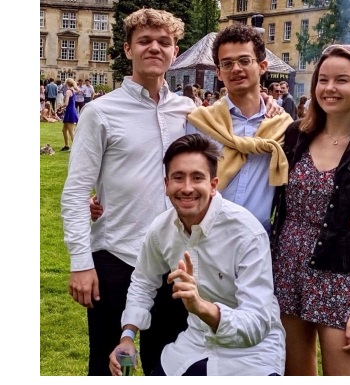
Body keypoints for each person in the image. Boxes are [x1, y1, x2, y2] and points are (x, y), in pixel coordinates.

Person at [61, 8, 196, 376]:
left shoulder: (189, 111)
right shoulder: (101, 112)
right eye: (145, 41)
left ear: (174, 51)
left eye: (164, 42)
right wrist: (81, 262)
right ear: (127, 49)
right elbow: (75, 192)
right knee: (107, 367)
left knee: (168, 366)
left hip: (174, 263)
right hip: (117, 258)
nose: (155, 48)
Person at [270, 44, 350, 376]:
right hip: (286, 271)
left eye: (341, 80)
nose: (329, 88)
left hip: (339, 277)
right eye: (322, 79)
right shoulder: (296, 135)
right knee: (295, 375)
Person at [109, 134, 286, 376]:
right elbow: (143, 281)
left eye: (197, 178)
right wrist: (127, 336)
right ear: (166, 183)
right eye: (178, 178)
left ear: (213, 185)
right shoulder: (161, 229)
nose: (187, 188)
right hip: (194, 343)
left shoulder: (247, 233)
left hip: (252, 353)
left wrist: (201, 307)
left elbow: (257, 324)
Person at [186, 23, 293, 233]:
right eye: (227, 63)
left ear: (262, 66)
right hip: (206, 236)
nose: (236, 69)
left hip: (258, 239)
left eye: (245, 61)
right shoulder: (200, 123)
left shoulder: (283, 128)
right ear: (218, 72)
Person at [61, 78, 79, 151]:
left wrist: (60, 106)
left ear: (67, 83)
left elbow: (66, 103)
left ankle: (76, 148)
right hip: (70, 110)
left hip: (70, 111)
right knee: (64, 130)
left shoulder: (68, 91)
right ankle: (66, 146)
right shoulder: (73, 90)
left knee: (71, 131)